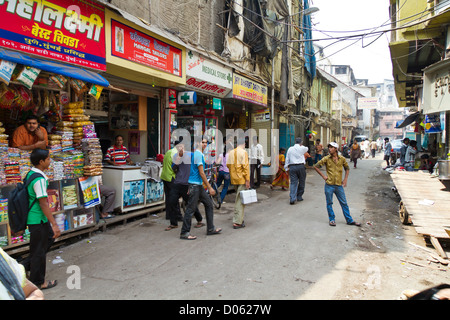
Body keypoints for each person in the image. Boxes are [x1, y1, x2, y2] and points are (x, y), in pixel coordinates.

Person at [21, 149, 60, 290]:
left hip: (37, 219)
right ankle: (38, 282)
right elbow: (43, 203)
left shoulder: (31, 174)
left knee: (46, 241)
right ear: (41, 161)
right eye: (48, 159)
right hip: (38, 219)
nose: (50, 161)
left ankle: (24, 266)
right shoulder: (39, 179)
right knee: (38, 251)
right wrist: (54, 224)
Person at [180, 139, 221, 240]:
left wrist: (182, 152)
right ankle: (184, 232)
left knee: (209, 204)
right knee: (190, 209)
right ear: (198, 143)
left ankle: (210, 228)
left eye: (206, 142)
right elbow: (202, 173)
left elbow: (183, 153)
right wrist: (210, 187)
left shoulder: (196, 154)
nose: (205, 144)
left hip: (198, 186)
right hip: (195, 186)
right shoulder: (198, 155)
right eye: (202, 142)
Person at [313, 142, 361, 227]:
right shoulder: (326, 158)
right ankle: (332, 220)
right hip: (329, 185)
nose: (329, 149)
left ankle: (349, 220)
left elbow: (347, 168)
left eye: (331, 147)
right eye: (329, 147)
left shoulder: (342, 159)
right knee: (329, 203)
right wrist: (323, 176)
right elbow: (316, 166)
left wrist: (345, 179)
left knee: (344, 203)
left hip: (339, 185)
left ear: (336, 149)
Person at [166, 142, 203, 231]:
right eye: (178, 147)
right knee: (171, 201)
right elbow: (173, 169)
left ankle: (199, 219)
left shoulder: (191, 155)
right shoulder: (175, 156)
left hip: (187, 183)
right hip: (177, 182)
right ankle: (173, 223)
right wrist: (177, 161)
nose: (180, 148)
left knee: (190, 203)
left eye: (181, 146)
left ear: (184, 147)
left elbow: (197, 166)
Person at [227, 137, 250, 229]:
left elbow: (228, 165)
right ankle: (237, 222)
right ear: (244, 144)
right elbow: (245, 167)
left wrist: (234, 173)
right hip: (242, 179)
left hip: (234, 179)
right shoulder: (244, 152)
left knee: (238, 199)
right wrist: (247, 180)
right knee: (240, 201)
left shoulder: (231, 152)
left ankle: (239, 219)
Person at [161, 140, 182, 221]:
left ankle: (169, 215)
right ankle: (178, 216)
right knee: (174, 197)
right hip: (171, 177)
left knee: (168, 197)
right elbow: (176, 167)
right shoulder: (175, 153)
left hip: (165, 177)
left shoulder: (169, 151)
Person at [284, 137, 308, 205]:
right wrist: (301, 145)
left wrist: (286, 168)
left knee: (293, 183)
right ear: (301, 143)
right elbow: (307, 148)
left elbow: (287, 158)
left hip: (292, 167)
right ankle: (299, 196)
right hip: (301, 167)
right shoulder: (302, 148)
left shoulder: (290, 149)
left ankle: (292, 198)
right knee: (302, 181)